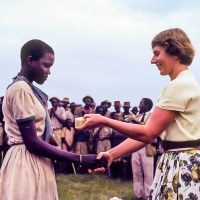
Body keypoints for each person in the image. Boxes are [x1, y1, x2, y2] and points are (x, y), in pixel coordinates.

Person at [77, 28, 200, 199]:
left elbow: (147, 134)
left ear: (175, 52)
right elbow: (144, 133)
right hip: (177, 159)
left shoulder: (180, 86)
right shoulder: (181, 84)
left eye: (157, 53)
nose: (153, 60)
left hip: (182, 163)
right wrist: (111, 155)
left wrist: (105, 120)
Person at [0, 39, 107, 200]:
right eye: (46, 65)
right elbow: (32, 142)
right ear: (30, 60)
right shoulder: (20, 89)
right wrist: (80, 158)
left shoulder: (28, 89)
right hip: (25, 161)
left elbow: (41, 136)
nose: (49, 71)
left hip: (35, 159)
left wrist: (58, 152)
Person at [131, 98, 156, 199]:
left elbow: (147, 128)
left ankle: (149, 195)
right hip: (135, 146)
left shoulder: (152, 116)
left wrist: (134, 122)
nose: (139, 105)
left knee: (148, 173)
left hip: (147, 147)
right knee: (136, 172)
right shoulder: (137, 116)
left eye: (141, 104)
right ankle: (138, 195)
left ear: (146, 106)